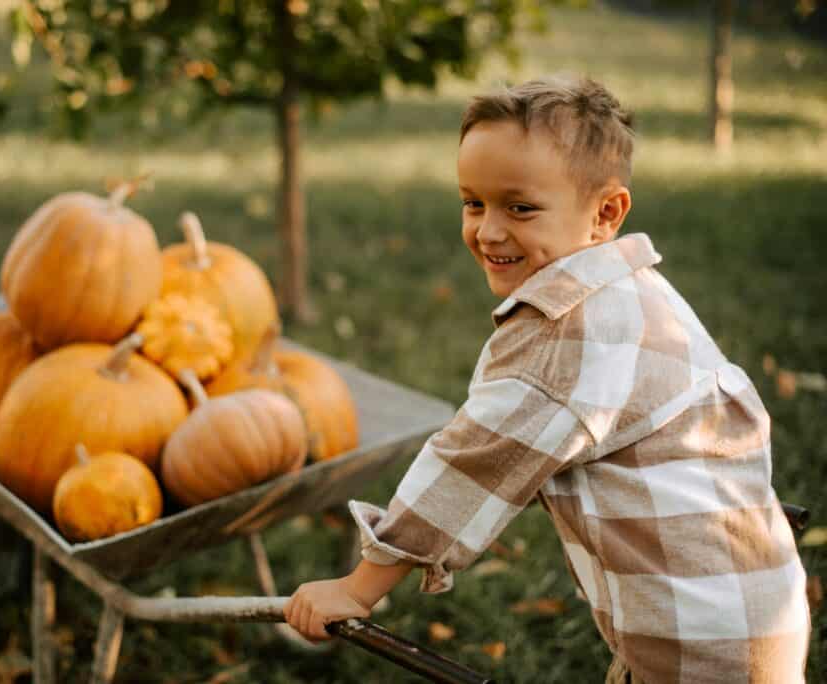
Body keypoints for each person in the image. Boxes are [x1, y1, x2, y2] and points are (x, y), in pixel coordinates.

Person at [283, 76, 811, 683]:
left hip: (696, 645)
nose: (488, 230)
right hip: (756, 605)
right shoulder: (634, 290)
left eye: (520, 208)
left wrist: (357, 588)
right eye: (473, 203)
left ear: (605, 213)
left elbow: (470, 466)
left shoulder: (563, 337)